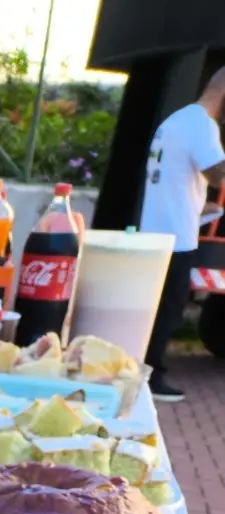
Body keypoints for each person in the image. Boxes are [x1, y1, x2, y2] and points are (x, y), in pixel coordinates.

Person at [141, 65, 225, 401]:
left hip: (156, 230)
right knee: (167, 310)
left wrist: (202, 206)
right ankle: (151, 377)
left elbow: (174, 182)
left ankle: (142, 372)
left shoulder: (175, 121)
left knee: (155, 308)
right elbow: (219, 175)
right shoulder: (202, 125)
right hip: (176, 238)